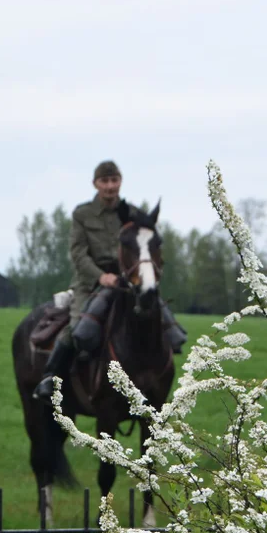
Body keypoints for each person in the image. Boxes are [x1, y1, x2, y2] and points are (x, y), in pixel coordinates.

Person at [32, 160, 187, 404]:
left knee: (161, 320)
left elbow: (143, 246)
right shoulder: (82, 214)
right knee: (77, 327)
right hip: (91, 282)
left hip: (128, 280)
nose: (110, 186)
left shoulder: (132, 213)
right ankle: (50, 377)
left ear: (120, 182)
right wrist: (100, 276)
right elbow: (78, 253)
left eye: (114, 180)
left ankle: (160, 373)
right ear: (95, 184)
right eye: (104, 181)